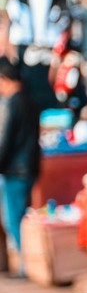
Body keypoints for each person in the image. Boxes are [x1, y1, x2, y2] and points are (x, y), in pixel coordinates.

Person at [0, 58, 40, 275]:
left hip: (16, 169)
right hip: (28, 167)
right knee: (21, 216)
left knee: (13, 218)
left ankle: (27, 265)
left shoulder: (13, 103)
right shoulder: (30, 100)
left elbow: (6, 139)